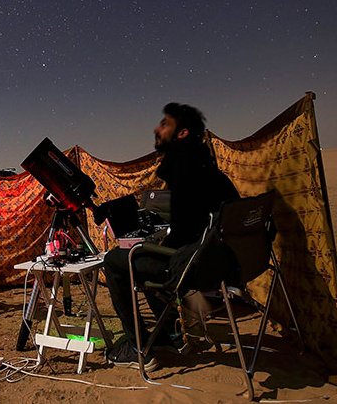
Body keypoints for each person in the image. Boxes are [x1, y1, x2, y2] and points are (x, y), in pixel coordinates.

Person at [102, 102, 239, 371]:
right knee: (143, 259)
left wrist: (152, 244)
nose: (157, 129)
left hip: (196, 267)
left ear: (182, 133)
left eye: (165, 124)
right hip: (220, 263)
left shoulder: (185, 168)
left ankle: (138, 347)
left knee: (115, 260)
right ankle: (169, 335)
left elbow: (184, 231)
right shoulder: (205, 166)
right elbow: (195, 220)